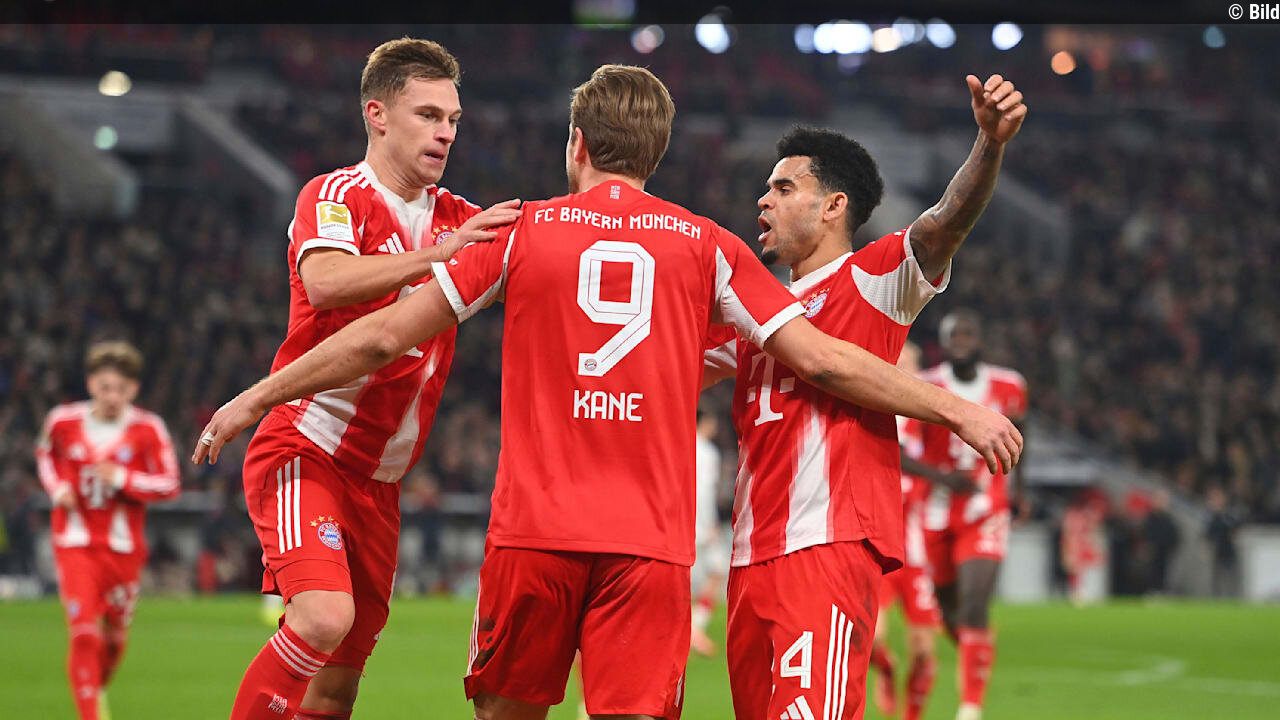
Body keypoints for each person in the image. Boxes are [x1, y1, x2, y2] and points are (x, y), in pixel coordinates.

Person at [194, 64, 1022, 720]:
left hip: (540, 531)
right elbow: (813, 357)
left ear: (578, 142)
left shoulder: (520, 228)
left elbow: (380, 336)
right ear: (657, 155)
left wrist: (257, 395)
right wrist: (956, 408)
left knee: (495, 708)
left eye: (782, 188)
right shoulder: (710, 248)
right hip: (652, 546)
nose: (764, 199)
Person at [701, 73, 1026, 720]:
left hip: (823, 547)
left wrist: (989, 145)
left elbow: (944, 224)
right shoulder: (753, 310)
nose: (763, 199)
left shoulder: (873, 278)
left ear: (833, 206)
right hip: (749, 559)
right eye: (767, 188)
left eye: (783, 188)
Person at [216, 37, 520, 720]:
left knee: (337, 686)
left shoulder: (461, 217)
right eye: (428, 115)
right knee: (323, 618)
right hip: (308, 447)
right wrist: (440, 257)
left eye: (453, 119)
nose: (445, 132)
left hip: (381, 483)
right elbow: (326, 280)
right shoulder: (336, 195)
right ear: (377, 114)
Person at [36, 340, 181, 720]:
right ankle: (90, 713)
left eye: (121, 388)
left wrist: (122, 478)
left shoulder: (148, 428)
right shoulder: (62, 421)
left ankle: (92, 690)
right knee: (85, 632)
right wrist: (58, 489)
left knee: (114, 639)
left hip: (124, 550)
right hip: (75, 543)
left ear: (134, 389)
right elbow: (45, 456)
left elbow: (170, 484)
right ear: (90, 385)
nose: (112, 396)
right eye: (105, 387)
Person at [917, 308, 1029, 720]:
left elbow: (1023, 433)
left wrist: (1020, 489)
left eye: (968, 333)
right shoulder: (925, 386)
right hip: (935, 511)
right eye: (954, 335)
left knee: (975, 603)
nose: (961, 340)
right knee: (949, 609)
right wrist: (941, 478)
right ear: (944, 343)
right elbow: (900, 449)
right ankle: (976, 649)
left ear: (980, 340)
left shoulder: (1009, 385)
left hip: (985, 506)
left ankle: (970, 707)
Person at [870, 342, 952, 720]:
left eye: (908, 363)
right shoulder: (872, 405)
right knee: (870, 639)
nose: (901, 368)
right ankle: (885, 668)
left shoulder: (928, 417)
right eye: (896, 361)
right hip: (878, 538)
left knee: (923, 650)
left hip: (916, 544)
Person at [690, 405, 727, 657]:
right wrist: (708, 523)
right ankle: (693, 629)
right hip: (700, 523)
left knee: (711, 572)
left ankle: (693, 629)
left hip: (680, 521)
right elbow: (702, 491)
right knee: (718, 570)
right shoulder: (706, 451)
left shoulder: (682, 445)